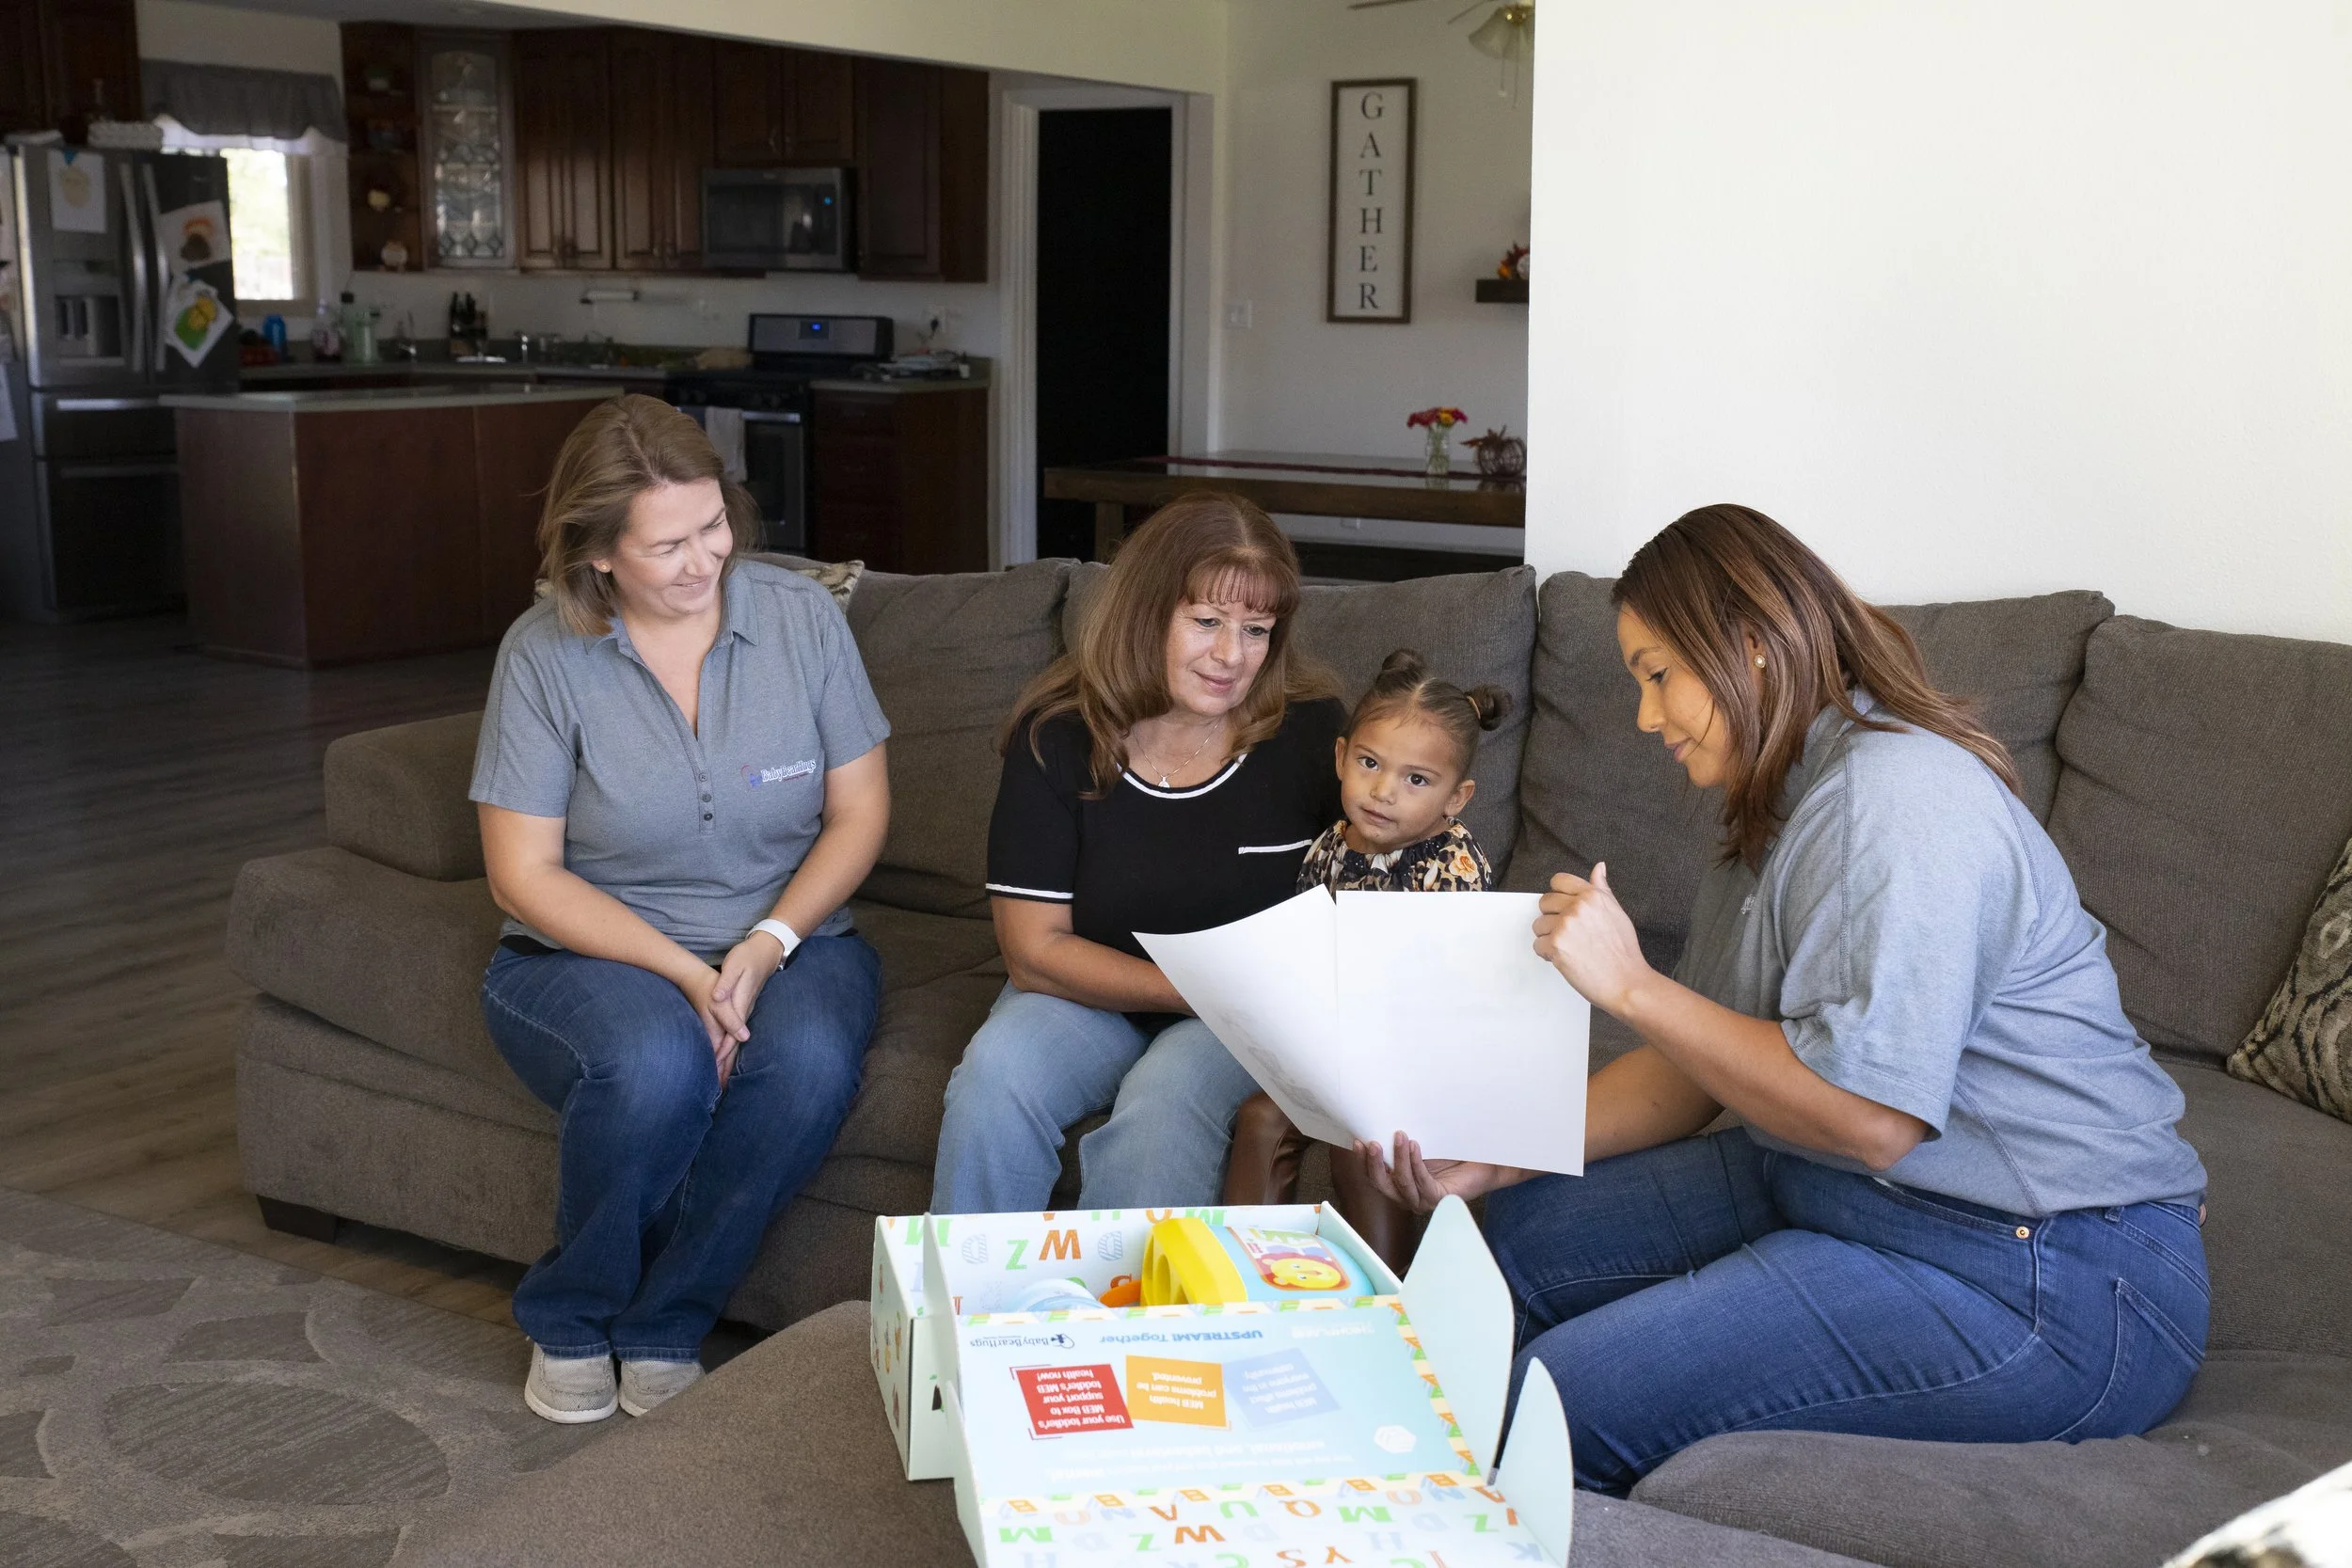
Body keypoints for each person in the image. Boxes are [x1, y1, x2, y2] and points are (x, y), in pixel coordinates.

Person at [1359, 503, 2210, 1493]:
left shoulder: (1897, 798)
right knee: (1511, 1240)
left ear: (1751, 645)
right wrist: (1500, 1151)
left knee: (1555, 1401)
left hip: (2051, 1271)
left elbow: (1872, 1117)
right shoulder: (1779, 803)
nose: (1645, 717)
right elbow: (1693, 1074)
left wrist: (1628, 983)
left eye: (1658, 674)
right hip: (1835, 1187)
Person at [471, 395, 891, 1424]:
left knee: (804, 1065)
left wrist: (766, 940)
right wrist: (690, 975)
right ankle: (570, 1314)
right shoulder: (543, 655)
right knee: (655, 1061)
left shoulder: (800, 621)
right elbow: (523, 875)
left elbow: (860, 810)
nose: (704, 558)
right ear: (599, 552)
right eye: (667, 544)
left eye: (714, 526)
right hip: (586, 951)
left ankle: (667, 1319)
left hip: (796, 935)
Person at [931, 494, 1343, 1213]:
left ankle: (1131, 1324)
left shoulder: (1310, 732)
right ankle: (963, 1314)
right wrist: (1189, 987)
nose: (1231, 655)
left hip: (1238, 1015)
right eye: (1207, 622)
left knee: (1162, 1102)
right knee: (994, 1075)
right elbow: (1033, 951)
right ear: (1146, 611)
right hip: (1087, 991)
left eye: (1256, 629)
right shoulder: (1056, 734)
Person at [1227, 648, 1510, 1264]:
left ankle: (1390, 1291)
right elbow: (1305, 939)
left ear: (1455, 797)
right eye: (1370, 762)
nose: (1383, 791)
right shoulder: (1332, 844)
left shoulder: (1451, 868)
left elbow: (1454, 995)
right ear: (1340, 756)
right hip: (1339, 1044)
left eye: (1416, 779)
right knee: (1261, 1118)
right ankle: (1248, 1274)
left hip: (1421, 1059)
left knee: (1365, 1144)